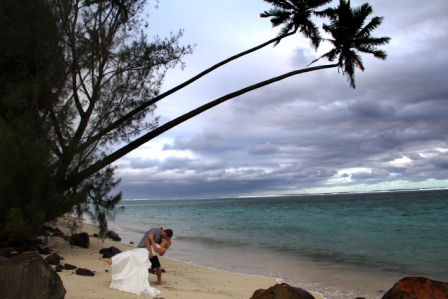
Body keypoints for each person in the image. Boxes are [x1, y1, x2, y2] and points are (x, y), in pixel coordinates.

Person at [100, 238, 171, 296]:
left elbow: (155, 249)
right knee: (128, 253)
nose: (163, 239)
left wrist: (152, 239)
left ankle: (112, 260)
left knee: (129, 254)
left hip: (144, 255)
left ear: (166, 242)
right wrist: (150, 238)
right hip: (142, 251)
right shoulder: (157, 243)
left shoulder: (163, 249)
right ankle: (112, 260)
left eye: (165, 239)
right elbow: (147, 241)